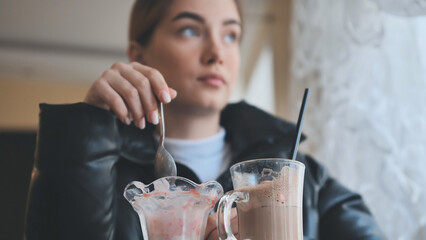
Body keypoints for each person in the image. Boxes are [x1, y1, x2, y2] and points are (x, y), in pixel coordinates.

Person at [25, 0, 387, 239]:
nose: (217, 53)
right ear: (139, 55)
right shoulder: (101, 170)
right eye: (190, 30)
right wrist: (88, 133)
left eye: (231, 35)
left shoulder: (303, 178)